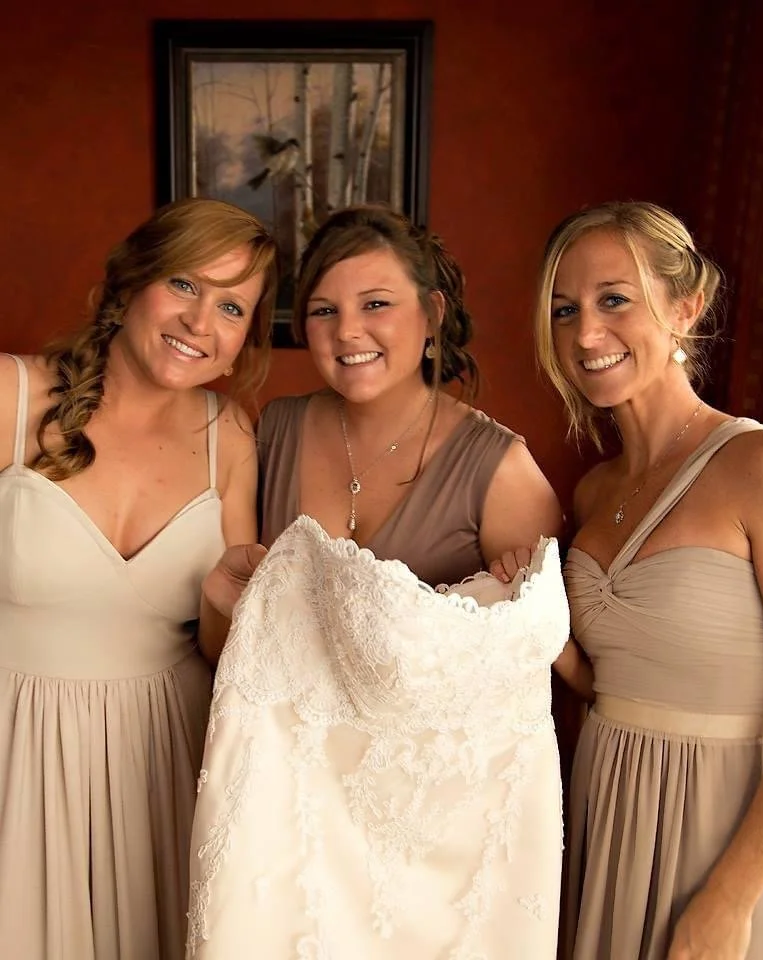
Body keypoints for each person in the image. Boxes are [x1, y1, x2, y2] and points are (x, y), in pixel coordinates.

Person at [187, 205, 591, 958]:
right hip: (287, 832)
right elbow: (232, 658)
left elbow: (537, 689)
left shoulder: (500, 470)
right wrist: (219, 604)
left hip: (426, 857)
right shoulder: (269, 433)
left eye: (375, 304)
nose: (348, 332)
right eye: (323, 311)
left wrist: (526, 609)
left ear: (431, 315)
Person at [0, 197, 277, 960]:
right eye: (184, 284)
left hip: (162, 760)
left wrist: (223, 603)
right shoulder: (11, 395)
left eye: (231, 307)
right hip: (14, 746)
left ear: (241, 342)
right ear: (129, 285)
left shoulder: (230, 438)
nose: (200, 321)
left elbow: (227, 654)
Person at [530, 200, 763, 959]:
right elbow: (608, 684)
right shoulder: (591, 493)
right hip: (607, 812)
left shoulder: (755, 466)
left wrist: (732, 898)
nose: (585, 334)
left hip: (723, 834)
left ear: (685, 308)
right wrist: (530, 621)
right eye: (565, 310)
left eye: (614, 300)